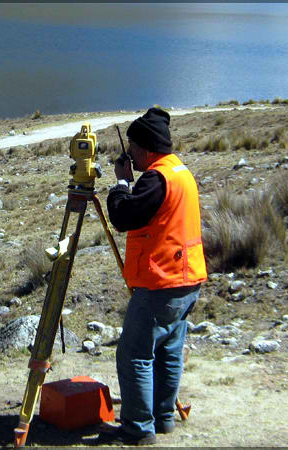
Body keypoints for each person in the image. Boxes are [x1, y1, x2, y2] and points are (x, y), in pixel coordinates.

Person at [100, 107, 207, 445]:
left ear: (146, 148)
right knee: (168, 350)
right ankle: (163, 418)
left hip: (162, 280)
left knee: (134, 352)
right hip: (188, 278)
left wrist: (120, 183)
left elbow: (124, 216)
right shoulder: (180, 171)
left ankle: (138, 428)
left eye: (132, 146)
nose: (129, 153)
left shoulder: (157, 178)